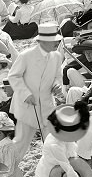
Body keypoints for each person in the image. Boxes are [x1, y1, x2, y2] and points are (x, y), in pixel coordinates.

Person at [8, 23, 65, 152]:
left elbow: (58, 76)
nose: (57, 44)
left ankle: (53, 169)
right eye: (53, 41)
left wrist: (57, 86)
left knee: (53, 142)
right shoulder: (26, 56)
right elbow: (14, 76)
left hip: (47, 105)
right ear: (42, 41)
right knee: (21, 143)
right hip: (28, 106)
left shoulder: (56, 56)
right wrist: (25, 94)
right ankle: (10, 169)